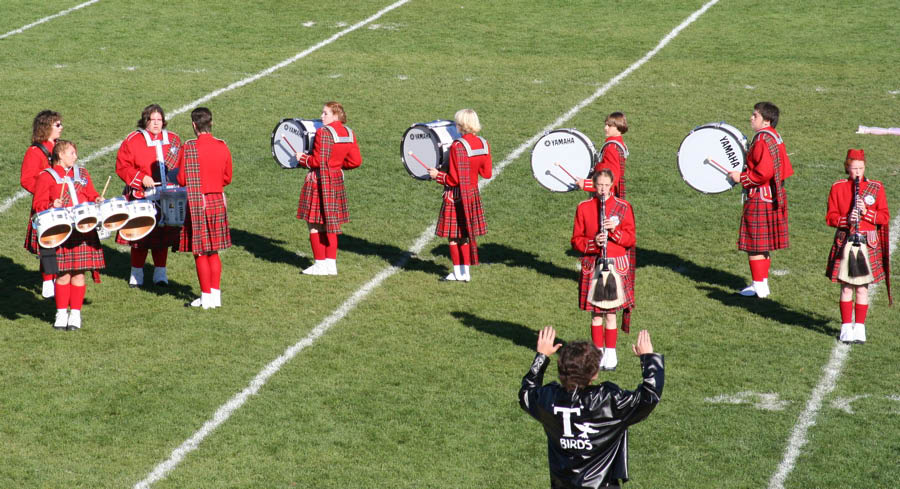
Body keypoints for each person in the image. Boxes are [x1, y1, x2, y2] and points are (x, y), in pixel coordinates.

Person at [519, 327, 663, 489]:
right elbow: (649, 395)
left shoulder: (547, 399)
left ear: (561, 369)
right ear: (594, 373)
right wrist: (648, 358)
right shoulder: (608, 401)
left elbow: (526, 393)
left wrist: (541, 356)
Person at [31, 140, 105, 330]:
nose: (75, 157)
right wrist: (51, 205)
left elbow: (90, 194)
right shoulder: (46, 177)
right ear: (60, 155)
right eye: (71, 153)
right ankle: (61, 313)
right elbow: (38, 205)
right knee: (63, 275)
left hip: (82, 230)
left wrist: (97, 198)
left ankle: (76, 315)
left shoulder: (82, 174)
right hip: (60, 231)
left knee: (79, 274)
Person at [825, 149, 892, 343]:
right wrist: (846, 219)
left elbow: (884, 217)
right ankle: (846, 327)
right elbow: (830, 217)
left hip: (867, 242)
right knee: (846, 287)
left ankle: (860, 328)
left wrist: (867, 212)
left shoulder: (876, 187)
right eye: (854, 168)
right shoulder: (838, 187)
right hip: (846, 239)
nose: (857, 172)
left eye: (861, 168)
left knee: (862, 288)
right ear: (847, 168)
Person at [728, 102, 793, 298]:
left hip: (760, 197)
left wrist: (742, 178)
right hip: (772, 195)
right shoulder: (774, 136)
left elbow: (763, 172)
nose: (751, 118)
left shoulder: (764, 139)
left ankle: (760, 287)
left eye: (755, 115)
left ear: (766, 121)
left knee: (754, 244)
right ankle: (761, 282)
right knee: (762, 245)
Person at [572, 170, 635, 371]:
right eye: (599, 185)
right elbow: (576, 240)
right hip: (594, 263)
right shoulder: (584, 208)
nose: (603, 189)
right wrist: (593, 243)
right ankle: (597, 355)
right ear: (594, 185)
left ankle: (612, 354)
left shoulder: (623, 207)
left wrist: (614, 232)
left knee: (611, 315)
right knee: (596, 315)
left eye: (607, 185)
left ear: (612, 185)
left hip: (615, 264)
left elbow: (630, 239)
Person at [115, 104, 182, 287]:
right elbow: (122, 166)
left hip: (166, 196)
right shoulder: (133, 140)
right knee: (140, 237)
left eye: (159, 120)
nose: (156, 123)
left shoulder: (174, 140)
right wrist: (141, 178)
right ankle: (136, 274)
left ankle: (160, 274)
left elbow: (181, 167)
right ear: (145, 121)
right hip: (141, 196)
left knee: (163, 237)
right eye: (152, 120)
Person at [172, 107, 233, 309]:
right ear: (211, 123)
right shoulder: (222, 145)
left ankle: (206, 297)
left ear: (193, 125)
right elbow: (227, 178)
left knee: (199, 251)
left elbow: (181, 179)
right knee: (213, 250)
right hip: (218, 200)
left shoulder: (189, 147)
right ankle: (215, 296)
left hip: (198, 202)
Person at [295, 101, 362, 275]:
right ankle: (330, 264)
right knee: (332, 223)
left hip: (320, 181)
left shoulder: (323, 132)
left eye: (325, 113)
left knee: (314, 224)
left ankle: (319, 264)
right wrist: (337, 165)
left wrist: (302, 158)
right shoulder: (349, 132)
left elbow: (318, 161)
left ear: (335, 115)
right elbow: (355, 161)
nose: (321, 116)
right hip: (336, 180)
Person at [427, 108, 493, 282]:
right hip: (472, 194)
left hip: (455, 196)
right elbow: (486, 173)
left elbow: (454, 179)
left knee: (454, 237)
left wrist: (437, 175)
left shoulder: (458, 146)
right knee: (465, 235)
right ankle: (466, 273)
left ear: (461, 125)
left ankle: (457, 273)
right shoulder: (484, 144)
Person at [21, 110, 63, 298]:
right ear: (46, 127)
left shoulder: (62, 148)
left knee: (62, 242)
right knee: (48, 243)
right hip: (45, 206)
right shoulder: (35, 152)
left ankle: (58, 277)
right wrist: (45, 195)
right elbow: (27, 179)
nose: (61, 128)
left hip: (64, 203)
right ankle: (48, 281)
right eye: (57, 125)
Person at [576, 111, 629, 198]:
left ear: (618, 127)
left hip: (606, 196)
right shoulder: (618, 143)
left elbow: (612, 178)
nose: (605, 128)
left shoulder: (611, 148)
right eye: (606, 125)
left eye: (609, 126)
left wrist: (586, 184)